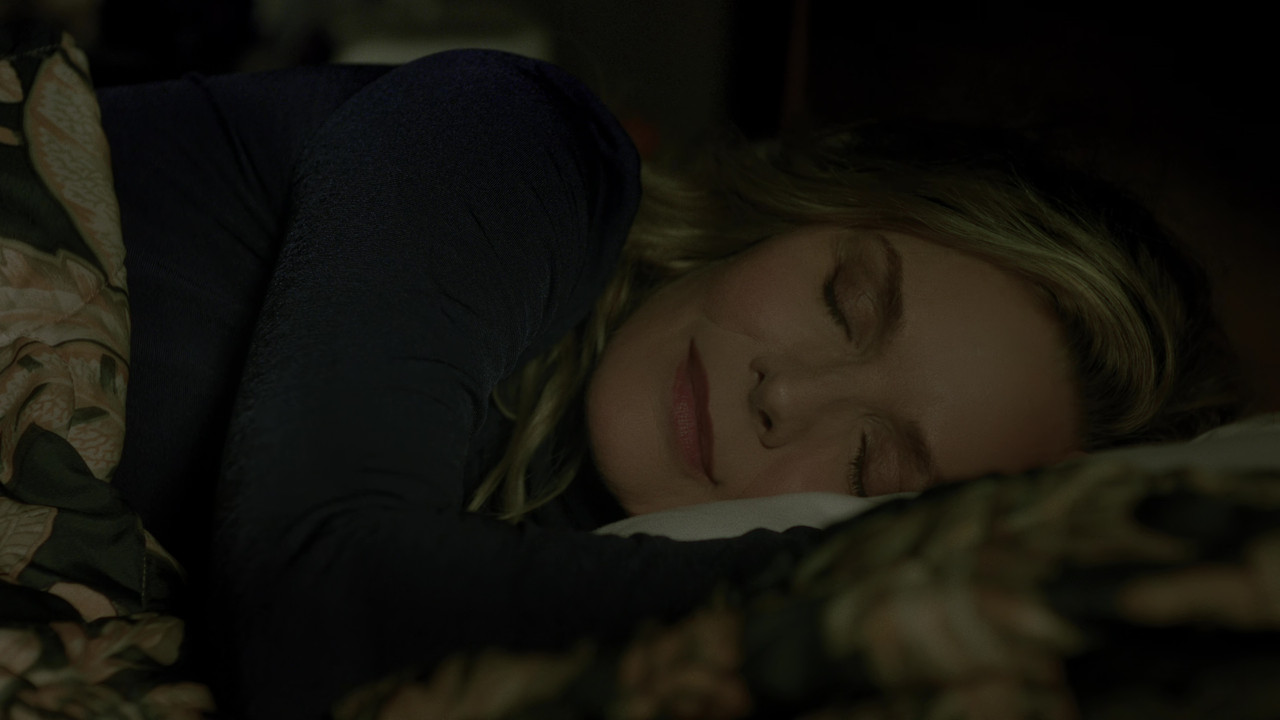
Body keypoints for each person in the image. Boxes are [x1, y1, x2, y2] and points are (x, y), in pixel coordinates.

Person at [91, 48, 1240, 719]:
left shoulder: (569, 566)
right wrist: (917, 572)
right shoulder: (513, 145)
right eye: (843, 302)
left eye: (865, 467)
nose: (784, 398)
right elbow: (316, 603)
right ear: (809, 210)